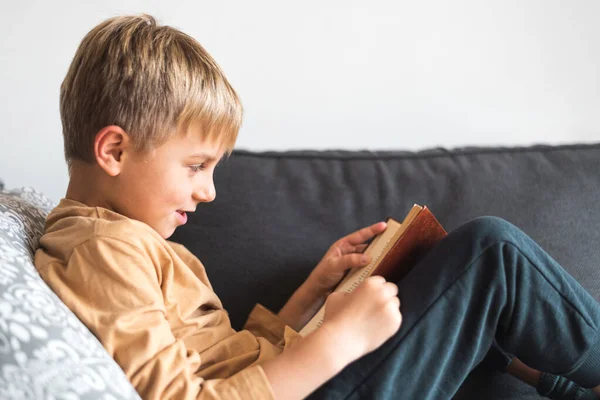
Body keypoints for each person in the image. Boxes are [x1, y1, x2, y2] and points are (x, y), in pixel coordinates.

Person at [34, 14, 600, 400]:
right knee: (490, 253)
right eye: (196, 166)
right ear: (114, 150)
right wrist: (339, 341)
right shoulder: (103, 251)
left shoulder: (122, 241)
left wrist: (314, 294)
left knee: (433, 282)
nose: (208, 191)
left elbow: (225, 360)